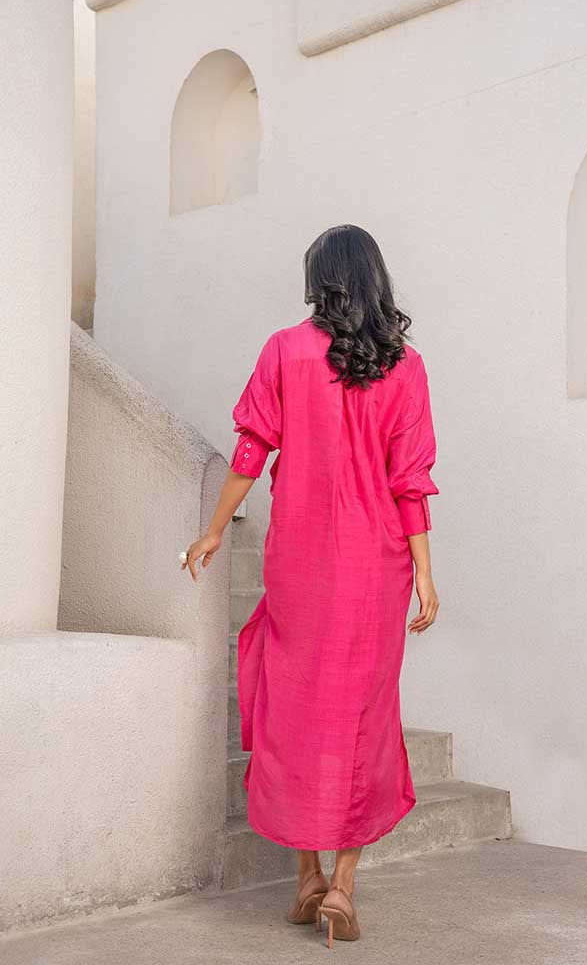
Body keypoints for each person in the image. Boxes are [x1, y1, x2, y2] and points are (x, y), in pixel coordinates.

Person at [183, 224, 439, 947]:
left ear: (318, 278)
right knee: (363, 713)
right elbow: (410, 479)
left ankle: (306, 879)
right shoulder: (406, 365)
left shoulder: (285, 350)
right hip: (376, 565)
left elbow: (251, 446)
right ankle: (344, 891)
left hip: (300, 557)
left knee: (292, 700)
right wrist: (424, 572)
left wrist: (214, 529)